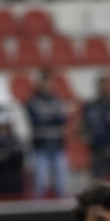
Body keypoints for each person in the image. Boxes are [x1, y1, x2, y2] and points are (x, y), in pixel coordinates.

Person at [25, 69, 69, 199]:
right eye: (44, 81)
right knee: (40, 181)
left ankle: (61, 207)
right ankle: (37, 208)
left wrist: (47, 116)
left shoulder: (57, 99)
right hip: (40, 145)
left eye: (48, 81)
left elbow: (63, 118)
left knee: (61, 181)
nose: (46, 85)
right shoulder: (33, 101)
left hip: (57, 144)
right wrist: (53, 116)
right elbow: (36, 120)